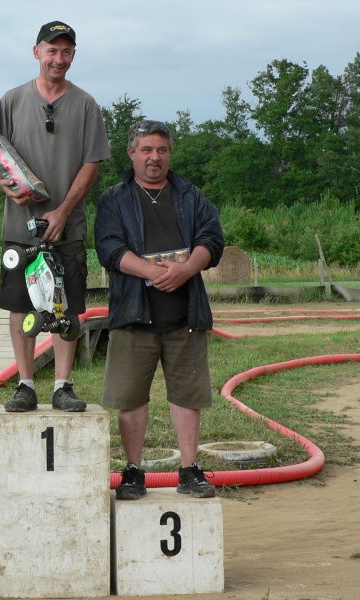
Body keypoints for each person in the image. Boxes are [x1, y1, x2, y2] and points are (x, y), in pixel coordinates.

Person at [94, 120, 225, 500]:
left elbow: (212, 239)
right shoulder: (113, 199)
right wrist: (154, 273)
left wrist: (186, 270)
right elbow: (110, 249)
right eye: (147, 150)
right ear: (132, 153)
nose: (155, 157)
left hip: (186, 317)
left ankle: (189, 469)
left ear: (170, 154)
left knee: (187, 396)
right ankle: (134, 472)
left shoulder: (191, 195)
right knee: (130, 397)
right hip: (133, 316)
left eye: (162, 150)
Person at [0, 20, 111, 413]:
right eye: (51, 50)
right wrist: (5, 184)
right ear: (36, 51)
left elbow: (92, 162)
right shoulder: (11, 100)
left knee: (67, 307)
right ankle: (25, 384)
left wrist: (64, 210)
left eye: (66, 51)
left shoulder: (86, 105)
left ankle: (62, 385)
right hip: (19, 228)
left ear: (73, 55)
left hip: (67, 226)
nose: (58, 58)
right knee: (21, 306)